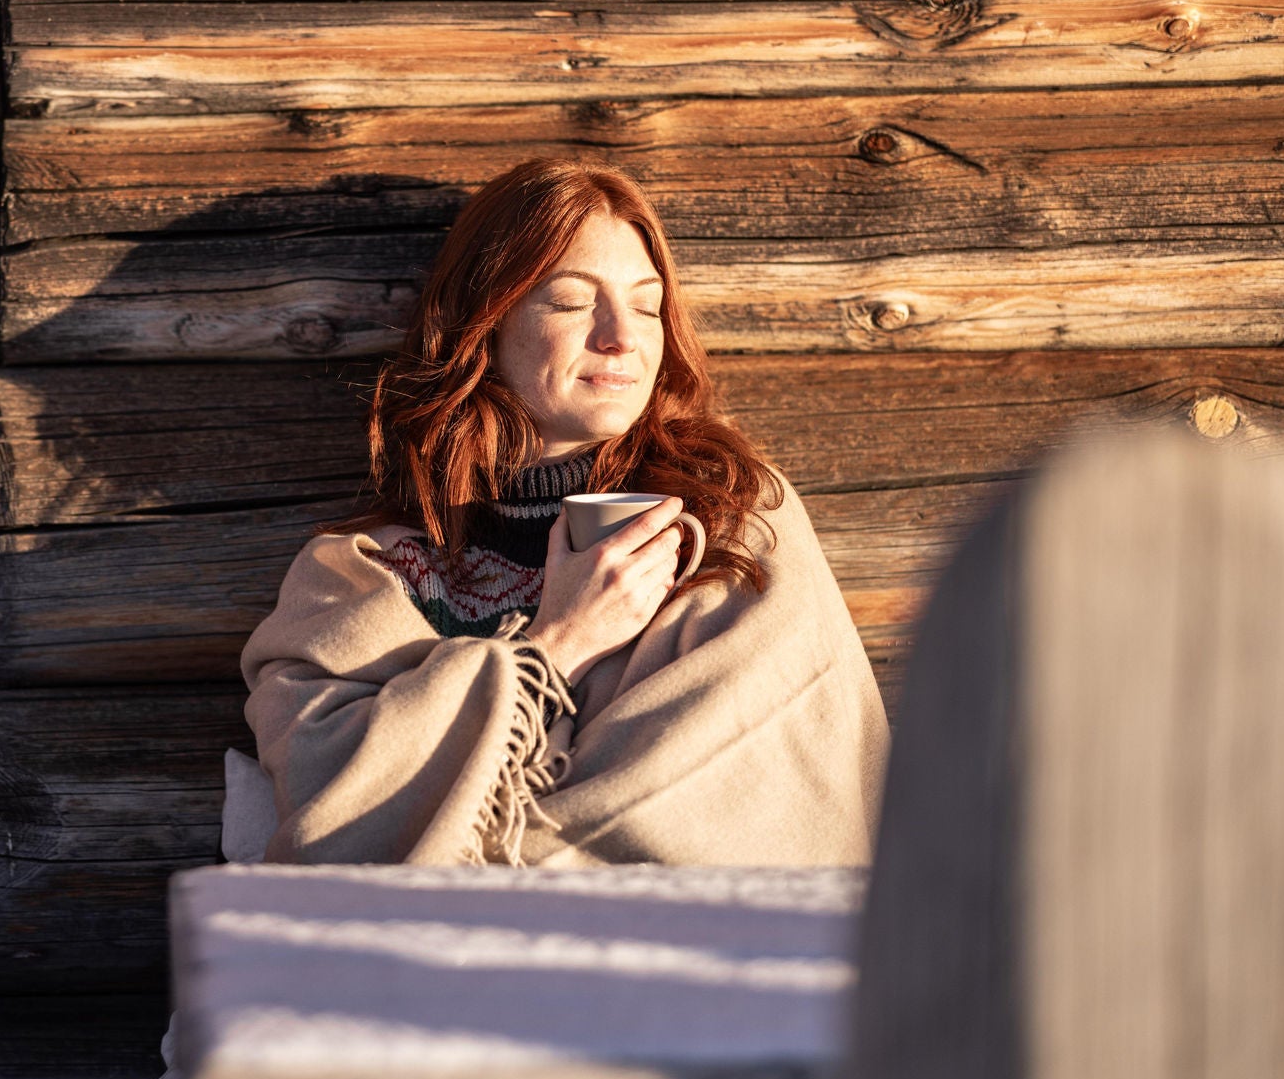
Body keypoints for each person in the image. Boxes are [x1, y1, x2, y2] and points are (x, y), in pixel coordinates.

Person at [239, 157, 889, 867]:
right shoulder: (368, 576)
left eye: (646, 305)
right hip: (449, 968)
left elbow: (735, 809)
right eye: (573, 300)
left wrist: (463, 815)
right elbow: (331, 821)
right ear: (483, 325)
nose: (621, 336)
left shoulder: (732, 521)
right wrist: (560, 644)